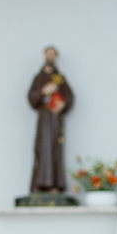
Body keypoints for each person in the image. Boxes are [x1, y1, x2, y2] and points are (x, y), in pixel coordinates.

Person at [28, 46, 75, 193]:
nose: (50, 57)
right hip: (44, 118)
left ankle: (55, 185)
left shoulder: (59, 78)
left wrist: (62, 104)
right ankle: (40, 185)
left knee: (55, 149)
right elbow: (31, 97)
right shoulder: (39, 78)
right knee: (42, 149)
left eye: (52, 54)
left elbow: (69, 96)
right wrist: (43, 91)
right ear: (45, 56)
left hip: (55, 119)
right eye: (48, 54)